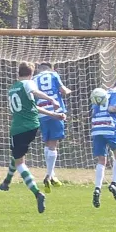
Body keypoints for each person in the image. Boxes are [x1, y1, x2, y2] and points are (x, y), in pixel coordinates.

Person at [0, 63, 66, 213]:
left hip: (19, 128)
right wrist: (53, 113)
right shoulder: (28, 84)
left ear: (18, 72)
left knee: (20, 163)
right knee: (17, 156)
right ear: (31, 72)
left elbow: (35, 92)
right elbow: (33, 106)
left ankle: (37, 193)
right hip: (33, 126)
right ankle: (6, 182)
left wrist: (50, 100)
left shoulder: (14, 88)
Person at [32, 62, 71, 192]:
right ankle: (48, 176)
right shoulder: (54, 75)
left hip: (42, 112)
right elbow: (63, 90)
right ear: (51, 68)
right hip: (55, 111)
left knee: (48, 143)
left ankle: (52, 173)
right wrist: (69, 90)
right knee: (54, 144)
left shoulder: (34, 78)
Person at [91, 78, 116, 208]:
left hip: (96, 127)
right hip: (109, 127)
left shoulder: (101, 93)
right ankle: (113, 183)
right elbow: (112, 108)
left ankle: (97, 188)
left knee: (101, 160)